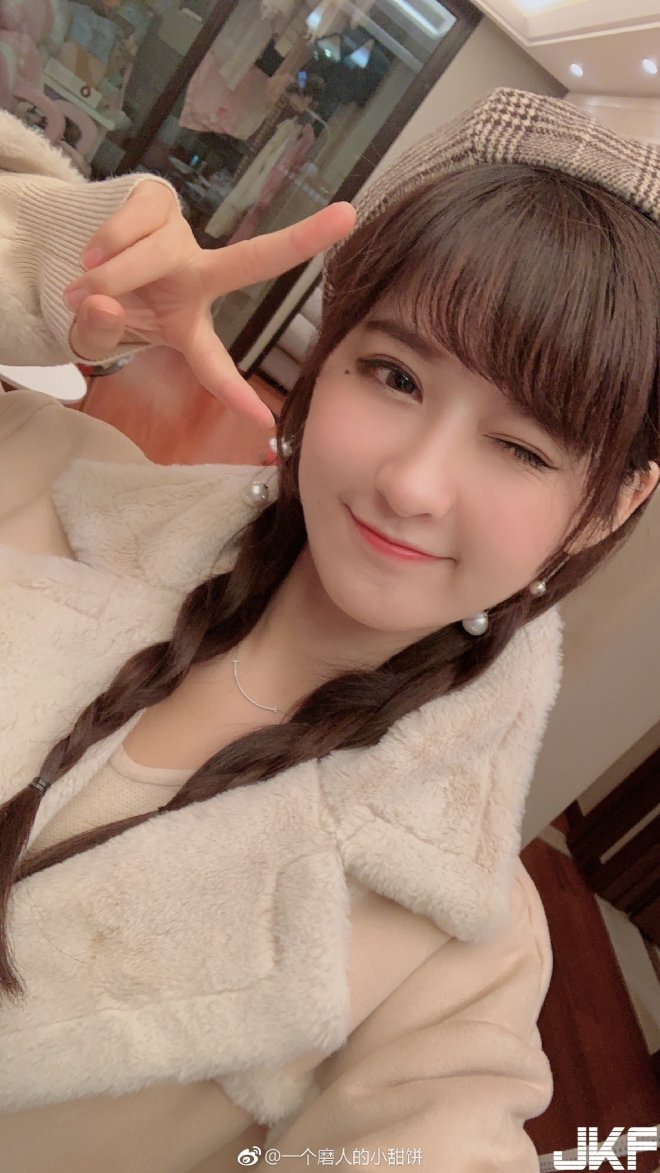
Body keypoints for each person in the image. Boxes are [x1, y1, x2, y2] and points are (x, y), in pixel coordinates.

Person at [0, 87, 657, 1173]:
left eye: (523, 448)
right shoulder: (43, 484)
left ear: (609, 507)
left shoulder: (453, 959)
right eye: (394, 376)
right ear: (327, 354)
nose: (412, 484)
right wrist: (41, 259)